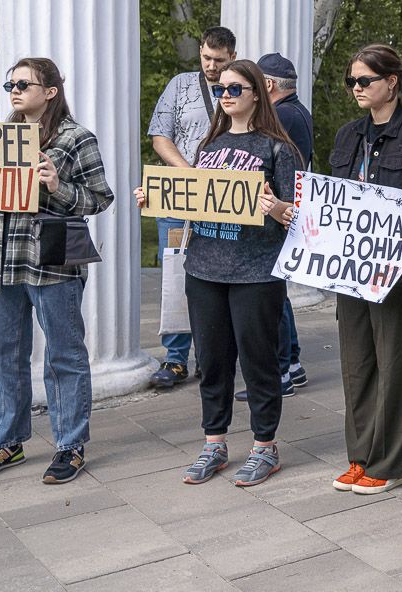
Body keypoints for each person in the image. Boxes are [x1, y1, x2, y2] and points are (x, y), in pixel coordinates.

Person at [136, 59, 301, 487]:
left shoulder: (278, 149)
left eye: (235, 89)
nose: (225, 96)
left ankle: (265, 446)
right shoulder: (209, 146)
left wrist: (277, 208)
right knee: (211, 362)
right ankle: (214, 443)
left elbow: (300, 218)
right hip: (204, 268)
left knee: (258, 361)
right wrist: (156, 198)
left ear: (255, 94)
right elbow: (196, 204)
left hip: (256, 273)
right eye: (221, 90)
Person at [0, 58, 113, 484]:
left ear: (50, 91)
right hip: (1, 255)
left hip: (51, 259)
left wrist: (56, 185)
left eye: (24, 83)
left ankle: (70, 446)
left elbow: (100, 199)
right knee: (5, 351)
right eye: (10, 82)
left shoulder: (77, 138)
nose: (14, 89)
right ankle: (7, 440)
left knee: (64, 353)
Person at [327, 44, 402, 495]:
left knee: (395, 365)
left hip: (400, 271)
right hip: (350, 267)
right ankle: (360, 457)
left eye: (365, 81)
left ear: (392, 82)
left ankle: (393, 462)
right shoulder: (347, 136)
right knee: (357, 364)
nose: (356, 88)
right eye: (352, 81)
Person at [145, 26, 237, 388]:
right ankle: (175, 357)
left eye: (219, 60)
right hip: (182, 192)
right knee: (175, 269)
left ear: (232, 55)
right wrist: (188, 173)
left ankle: (213, 353)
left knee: (220, 270)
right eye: (206, 58)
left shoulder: (241, 86)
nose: (211, 66)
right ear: (200, 51)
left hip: (226, 196)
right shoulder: (180, 85)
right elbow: (159, 135)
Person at [232, 53, 313, 402]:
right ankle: (291, 363)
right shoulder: (300, 113)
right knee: (277, 294)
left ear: (265, 86)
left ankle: (279, 371)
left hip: (272, 213)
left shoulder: (279, 116)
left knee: (269, 298)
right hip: (285, 210)